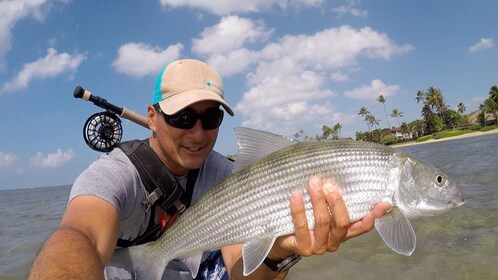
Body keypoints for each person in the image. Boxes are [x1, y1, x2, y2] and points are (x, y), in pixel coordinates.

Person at [28, 58, 389, 279]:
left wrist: (281, 252)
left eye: (211, 116)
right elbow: (80, 235)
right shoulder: (115, 173)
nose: (198, 133)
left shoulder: (226, 175)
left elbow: (237, 269)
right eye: (183, 116)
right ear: (152, 118)